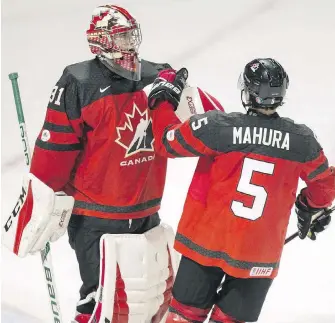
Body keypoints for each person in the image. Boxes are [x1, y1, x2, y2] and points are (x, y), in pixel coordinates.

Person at [147, 60, 335, 322]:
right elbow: (325, 187)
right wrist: (310, 207)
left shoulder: (216, 127)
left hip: (204, 244)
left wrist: (162, 101)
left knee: (184, 317)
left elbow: (167, 142)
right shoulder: (301, 141)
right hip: (258, 256)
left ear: (247, 91)